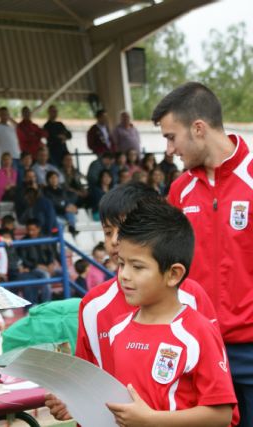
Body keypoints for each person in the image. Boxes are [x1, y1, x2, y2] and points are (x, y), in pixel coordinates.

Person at [45, 182, 217, 422]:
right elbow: (85, 381)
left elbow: (217, 404)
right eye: (107, 232)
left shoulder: (191, 297)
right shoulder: (93, 306)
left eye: (124, 230)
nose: (115, 240)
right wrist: (70, 402)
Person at [154, 82, 253, 426]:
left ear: (198, 128)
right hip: (199, 350)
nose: (168, 149)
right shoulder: (180, 190)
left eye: (171, 137)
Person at [105, 201, 237, 426]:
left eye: (137, 267)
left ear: (174, 274)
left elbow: (222, 416)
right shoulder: (117, 329)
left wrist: (151, 420)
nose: (124, 275)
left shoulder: (198, 332)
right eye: (121, 263)